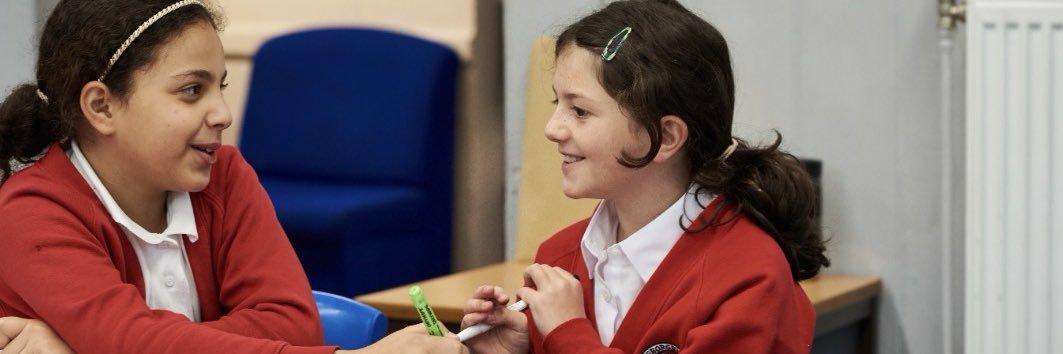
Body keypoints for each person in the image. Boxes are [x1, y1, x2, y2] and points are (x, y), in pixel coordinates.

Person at [0, 1, 466, 353]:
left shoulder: (225, 176)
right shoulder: (31, 212)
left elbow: (295, 324)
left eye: (219, 87)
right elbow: (133, 343)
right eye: (191, 90)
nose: (222, 113)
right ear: (101, 106)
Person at [460, 0, 830, 353]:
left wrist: (566, 333)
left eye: (581, 111)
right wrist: (523, 349)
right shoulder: (557, 259)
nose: (552, 129)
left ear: (666, 137)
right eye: (559, 104)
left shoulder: (749, 276)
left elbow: (572, 340)